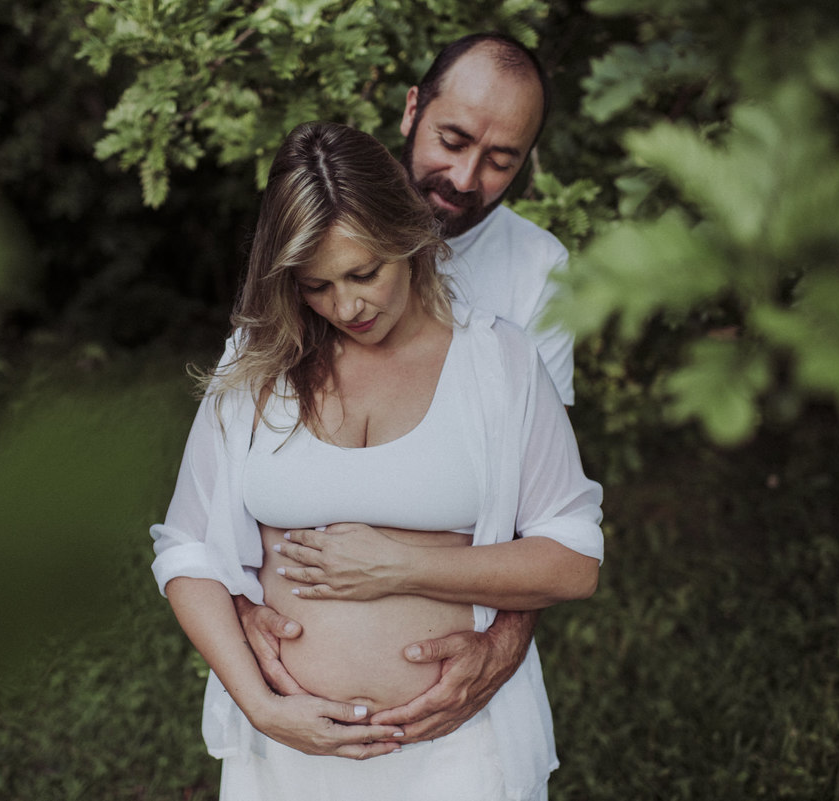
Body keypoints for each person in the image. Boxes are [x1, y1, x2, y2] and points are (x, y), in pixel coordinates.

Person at [151, 121, 603, 800]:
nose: (347, 305)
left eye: (364, 273)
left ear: (408, 237)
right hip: (287, 753)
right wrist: (261, 704)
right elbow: (184, 550)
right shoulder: (259, 362)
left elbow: (573, 558)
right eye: (316, 285)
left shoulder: (497, 363)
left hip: (453, 754)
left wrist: (403, 565)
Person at [236, 32, 575, 750]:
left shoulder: (538, 274)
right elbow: (237, 459)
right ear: (412, 108)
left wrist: (502, 646)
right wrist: (239, 604)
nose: (463, 176)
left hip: (452, 703)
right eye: (452, 139)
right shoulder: (322, 209)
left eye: (500, 160)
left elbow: (540, 506)